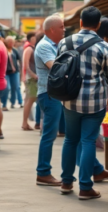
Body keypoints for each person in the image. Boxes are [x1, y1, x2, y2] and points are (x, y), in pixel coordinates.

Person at [57, 7, 108, 200]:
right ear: (98, 25)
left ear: (81, 22)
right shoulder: (104, 48)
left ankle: (66, 182)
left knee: (70, 140)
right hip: (94, 103)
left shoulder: (64, 43)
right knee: (88, 141)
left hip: (69, 101)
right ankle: (85, 187)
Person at [35, 15, 66, 186]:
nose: (64, 30)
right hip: (49, 95)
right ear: (52, 30)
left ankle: (95, 169)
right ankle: (43, 172)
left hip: (55, 95)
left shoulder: (55, 45)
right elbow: (55, 68)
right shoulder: (45, 46)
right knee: (49, 135)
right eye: (61, 27)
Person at [1, 36, 23, 110]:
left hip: (15, 72)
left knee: (15, 87)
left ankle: (13, 103)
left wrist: (21, 70)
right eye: (9, 42)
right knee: (7, 88)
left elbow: (19, 60)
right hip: (6, 72)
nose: (11, 43)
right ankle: (4, 104)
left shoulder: (14, 50)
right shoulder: (3, 50)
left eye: (12, 42)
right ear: (6, 42)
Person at [22, 32, 38, 130]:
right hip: (31, 79)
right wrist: (33, 75)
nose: (35, 39)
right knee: (30, 100)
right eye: (33, 38)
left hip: (32, 78)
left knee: (30, 100)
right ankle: (24, 123)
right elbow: (26, 65)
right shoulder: (28, 49)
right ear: (30, 39)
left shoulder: (32, 48)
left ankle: (25, 123)